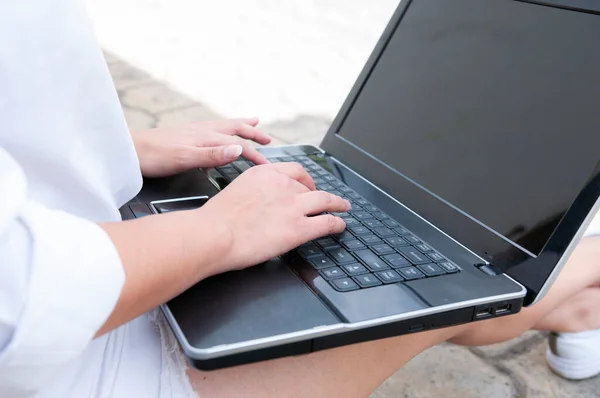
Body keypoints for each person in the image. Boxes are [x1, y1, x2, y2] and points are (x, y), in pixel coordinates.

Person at [1, 1, 598, 397]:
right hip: (86, 361)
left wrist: (117, 146)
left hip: (93, 250)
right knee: (444, 292)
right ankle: (587, 285)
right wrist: (223, 231)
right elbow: (18, 299)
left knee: (421, 275)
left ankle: (576, 311)